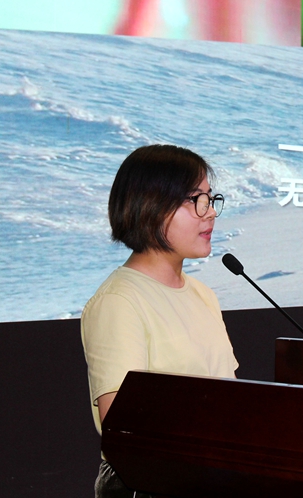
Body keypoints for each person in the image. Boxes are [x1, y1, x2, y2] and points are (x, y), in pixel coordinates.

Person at [81, 144, 238, 498]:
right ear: (150, 206)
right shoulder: (118, 302)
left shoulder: (203, 294)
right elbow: (123, 427)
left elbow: (228, 399)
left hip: (211, 475)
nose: (211, 212)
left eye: (211, 198)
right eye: (196, 200)